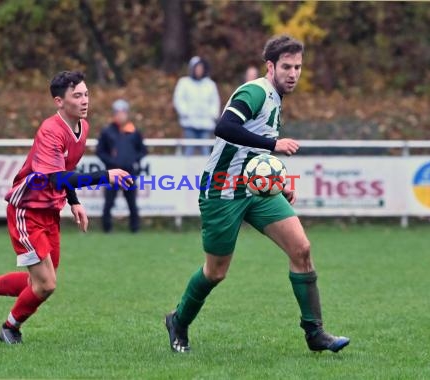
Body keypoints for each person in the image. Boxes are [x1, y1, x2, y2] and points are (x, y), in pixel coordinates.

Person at [164, 35, 350, 354]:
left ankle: (314, 333)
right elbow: (224, 127)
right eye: (287, 67)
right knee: (215, 271)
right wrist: (274, 146)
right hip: (222, 189)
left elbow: (253, 146)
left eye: (298, 67)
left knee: (301, 249)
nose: (293, 73)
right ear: (270, 66)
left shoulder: (276, 97)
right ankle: (178, 320)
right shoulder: (255, 91)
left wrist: (276, 180)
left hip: (254, 188)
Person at [0, 71, 132, 344]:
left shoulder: (82, 128)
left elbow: (66, 171)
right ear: (59, 101)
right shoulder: (50, 130)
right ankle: (9, 328)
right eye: (77, 96)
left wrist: (74, 202)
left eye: (86, 94)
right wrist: (104, 176)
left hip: (50, 210)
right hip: (27, 209)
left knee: (38, 283)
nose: (85, 100)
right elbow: (55, 178)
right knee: (46, 284)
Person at [96, 99, 147, 233]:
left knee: (132, 203)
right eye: (118, 112)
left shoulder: (134, 131)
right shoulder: (107, 131)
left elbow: (142, 150)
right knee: (109, 202)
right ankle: (107, 229)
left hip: (129, 172)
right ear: (114, 114)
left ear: (127, 114)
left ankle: (135, 229)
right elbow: (100, 151)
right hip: (112, 174)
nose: (120, 115)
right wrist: (111, 161)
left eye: (123, 112)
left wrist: (132, 159)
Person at [172, 56, 220, 156]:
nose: (199, 70)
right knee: (188, 151)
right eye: (197, 68)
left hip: (205, 124)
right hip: (189, 123)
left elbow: (215, 102)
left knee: (205, 151)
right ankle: (186, 171)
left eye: (201, 68)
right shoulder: (184, 82)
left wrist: (212, 115)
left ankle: (205, 171)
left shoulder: (210, 84)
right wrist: (185, 112)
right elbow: (178, 99)